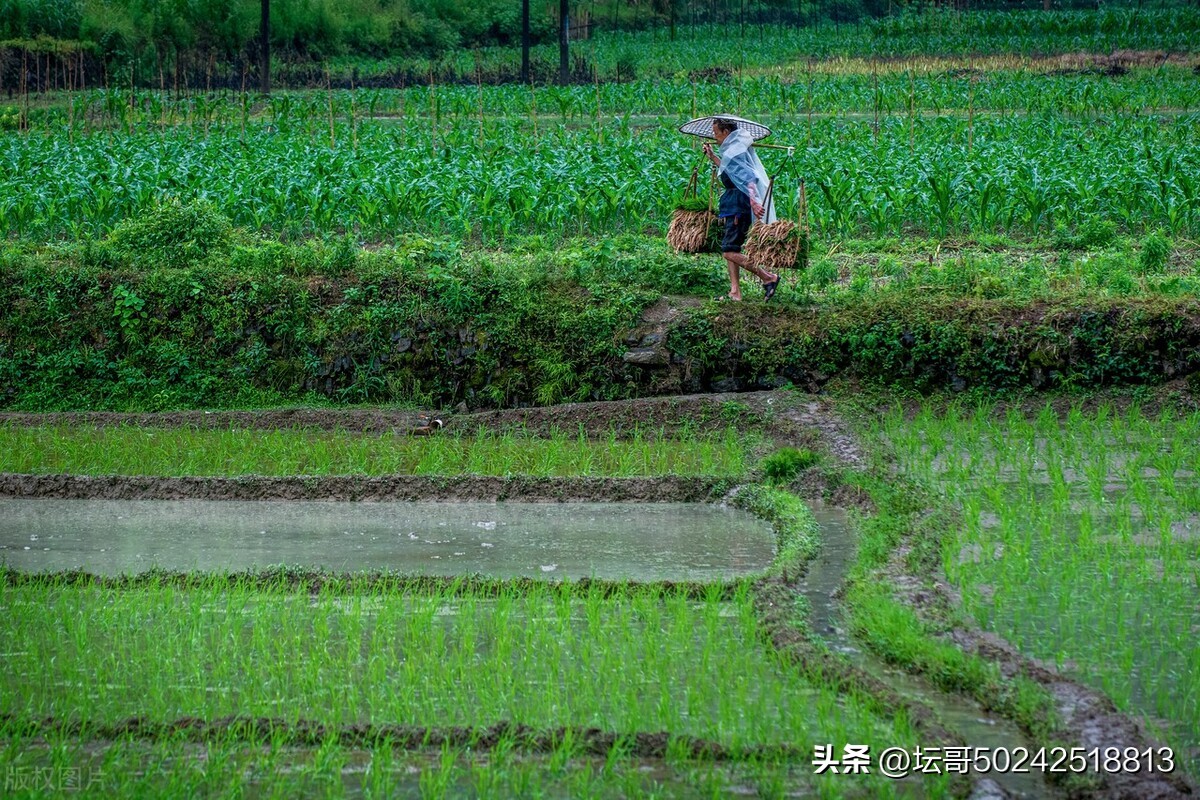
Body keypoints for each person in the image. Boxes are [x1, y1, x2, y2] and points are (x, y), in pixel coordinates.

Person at [702, 118, 780, 302]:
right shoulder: (731, 151)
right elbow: (732, 172)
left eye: (716, 133)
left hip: (739, 205)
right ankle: (735, 291)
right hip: (732, 204)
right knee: (731, 247)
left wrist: (754, 201)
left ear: (726, 132)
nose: (715, 136)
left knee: (729, 251)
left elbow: (749, 178)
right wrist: (713, 157)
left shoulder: (735, 151)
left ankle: (768, 277)